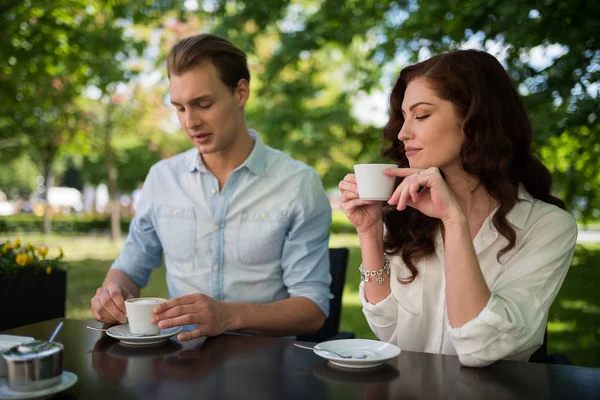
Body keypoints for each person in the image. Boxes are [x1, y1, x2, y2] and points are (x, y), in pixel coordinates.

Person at [339, 49, 577, 367]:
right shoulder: (408, 216)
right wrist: (370, 233)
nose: (402, 133)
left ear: (474, 119)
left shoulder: (547, 227)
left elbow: (480, 349)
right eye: (404, 117)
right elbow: (390, 333)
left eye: (421, 115)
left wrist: (454, 220)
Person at [91, 33, 332, 340]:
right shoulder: (161, 179)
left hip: (266, 372)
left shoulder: (298, 184)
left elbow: (313, 309)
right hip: (179, 366)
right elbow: (129, 270)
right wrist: (112, 294)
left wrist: (229, 316)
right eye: (179, 108)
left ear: (241, 92)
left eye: (203, 104)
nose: (190, 122)